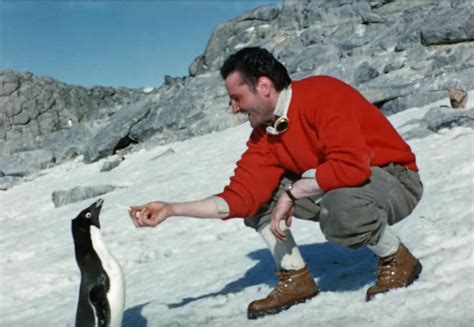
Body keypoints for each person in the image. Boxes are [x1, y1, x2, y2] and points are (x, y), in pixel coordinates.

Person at [128, 47, 424, 319]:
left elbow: (352, 166)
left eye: (237, 98)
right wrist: (171, 209)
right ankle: (296, 278)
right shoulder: (267, 134)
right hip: (343, 185)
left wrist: (294, 192)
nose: (233, 108)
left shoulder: (323, 94)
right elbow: (239, 198)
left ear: (264, 86)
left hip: (395, 180)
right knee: (258, 202)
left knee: (340, 206)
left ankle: (397, 258)